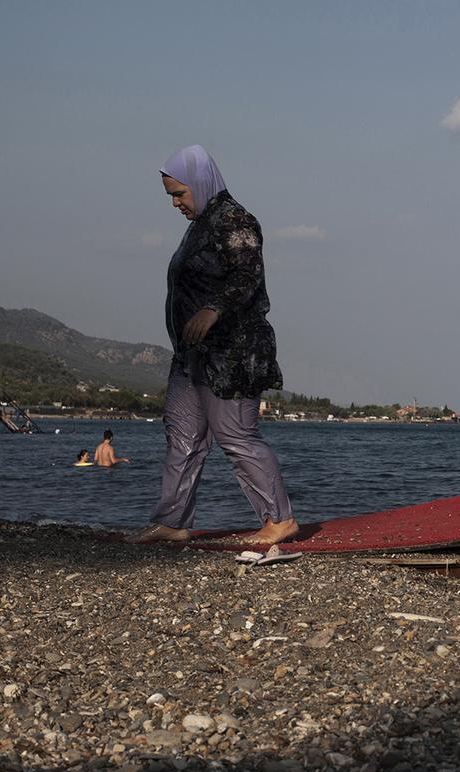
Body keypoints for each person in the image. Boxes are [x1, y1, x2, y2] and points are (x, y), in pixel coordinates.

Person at [127, 145, 299, 546]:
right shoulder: (201, 224)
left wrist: (212, 309)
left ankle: (279, 520)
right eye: (170, 195)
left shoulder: (235, 220)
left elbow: (247, 275)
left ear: (201, 184)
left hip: (233, 353)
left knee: (237, 435)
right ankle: (171, 522)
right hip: (193, 356)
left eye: (179, 194)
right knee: (183, 437)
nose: (175, 203)